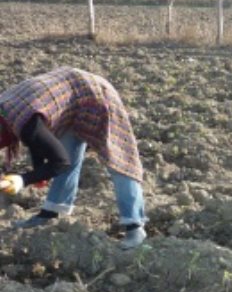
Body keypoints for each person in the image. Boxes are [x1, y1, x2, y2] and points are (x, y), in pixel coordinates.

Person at [0, 67, 147, 249]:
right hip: (71, 98)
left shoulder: (20, 120)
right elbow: (35, 137)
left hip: (97, 95)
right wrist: (40, 170)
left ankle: (135, 226)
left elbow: (58, 161)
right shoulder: (6, 110)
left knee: (119, 159)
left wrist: (23, 179)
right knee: (67, 152)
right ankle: (52, 212)